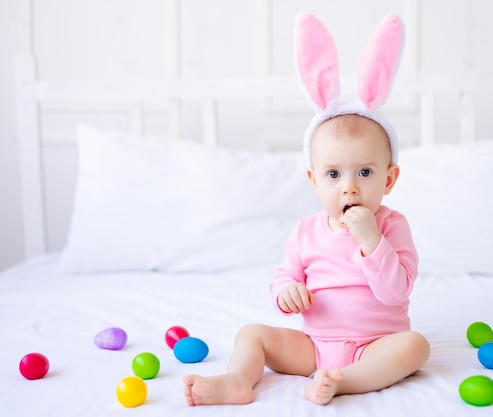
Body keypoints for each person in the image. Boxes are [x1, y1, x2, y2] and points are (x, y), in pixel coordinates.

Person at [183, 11, 429, 406]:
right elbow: (283, 278)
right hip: (313, 345)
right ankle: (237, 382)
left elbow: (396, 292)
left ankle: (345, 381)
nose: (348, 186)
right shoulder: (305, 232)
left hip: (376, 345)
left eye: (364, 172)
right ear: (314, 180)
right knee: (252, 334)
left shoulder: (393, 226)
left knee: (415, 347)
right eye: (333, 174)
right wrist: (288, 292)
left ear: (389, 179)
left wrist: (372, 241)